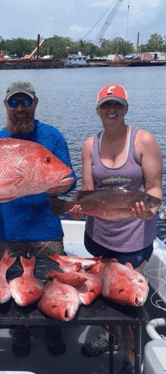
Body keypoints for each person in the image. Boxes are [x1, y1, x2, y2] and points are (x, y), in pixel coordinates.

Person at [69, 84, 163, 374]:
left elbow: (155, 188)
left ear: (126, 108)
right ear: (98, 109)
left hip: (134, 238)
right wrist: (77, 208)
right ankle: (111, 338)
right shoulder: (89, 145)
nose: (112, 110)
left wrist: (150, 210)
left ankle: (131, 356)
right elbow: (87, 190)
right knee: (107, 293)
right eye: (106, 105)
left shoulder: (143, 140)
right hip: (99, 235)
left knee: (126, 297)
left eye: (118, 105)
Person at [0, 81, 77, 357]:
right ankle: (21, 330)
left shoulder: (51, 136)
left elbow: (70, 177)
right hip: (11, 230)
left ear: (35, 103)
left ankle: (54, 329)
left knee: (53, 283)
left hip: (47, 229)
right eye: (14, 103)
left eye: (25, 102)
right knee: (15, 283)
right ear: (6, 105)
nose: (19, 109)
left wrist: (62, 186)